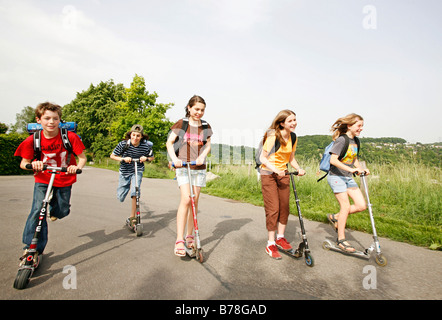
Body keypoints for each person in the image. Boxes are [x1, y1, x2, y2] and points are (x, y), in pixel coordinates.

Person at [14, 102, 86, 267]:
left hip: (64, 178)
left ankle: (54, 210)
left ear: (60, 120)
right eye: (47, 118)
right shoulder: (33, 140)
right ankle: (31, 248)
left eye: (55, 118)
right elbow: (23, 163)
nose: (51, 122)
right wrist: (34, 164)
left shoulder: (70, 137)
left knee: (62, 210)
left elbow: (82, 158)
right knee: (38, 210)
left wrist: (76, 168)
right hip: (43, 178)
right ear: (39, 120)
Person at [166, 95, 212, 257]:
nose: (199, 112)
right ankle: (179, 239)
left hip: (198, 167)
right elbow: (170, 143)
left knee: (194, 200)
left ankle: (190, 235)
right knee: (186, 198)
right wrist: (175, 159)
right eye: (196, 109)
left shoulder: (205, 126)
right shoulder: (182, 124)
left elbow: (207, 145)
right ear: (189, 108)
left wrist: (202, 156)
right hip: (183, 166)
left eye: (202, 110)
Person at [258, 109, 306, 259]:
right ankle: (270, 243)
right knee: (273, 208)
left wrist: (298, 169)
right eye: (290, 121)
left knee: (284, 206)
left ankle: (280, 238)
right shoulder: (273, 136)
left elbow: (291, 158)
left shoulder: (293, 137)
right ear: (282, 123)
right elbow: (262, 158)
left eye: (294, 120)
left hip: (283, 173)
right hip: (268, 173)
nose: (294, 123)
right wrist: (275, 169)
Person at [326, 113, 369, 253]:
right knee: (345, 207)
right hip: (336, 176)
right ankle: (341, 240)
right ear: (350, 125)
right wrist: (352, 169)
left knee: (361, 205)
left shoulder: (355, 141)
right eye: (359, 125)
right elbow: (333, 161)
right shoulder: (341, 140)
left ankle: (335, 217)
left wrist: (360, 169)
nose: (361, 128)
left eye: (362, 126)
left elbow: (353, 158)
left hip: (348, 177)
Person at [110, 124, 154, 228]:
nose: (135, 138)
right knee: (121, 195)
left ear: (141, 136)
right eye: (133, 135)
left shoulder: (145, 146)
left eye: (138, 136)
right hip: (125, 170)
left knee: (136, 191)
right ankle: (122, 196)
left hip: (137, 169)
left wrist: (146, 158)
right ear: (130, 135)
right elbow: (112, 156)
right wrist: (123, 159)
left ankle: (133, 217)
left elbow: (152, 157)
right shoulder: (124, 144)